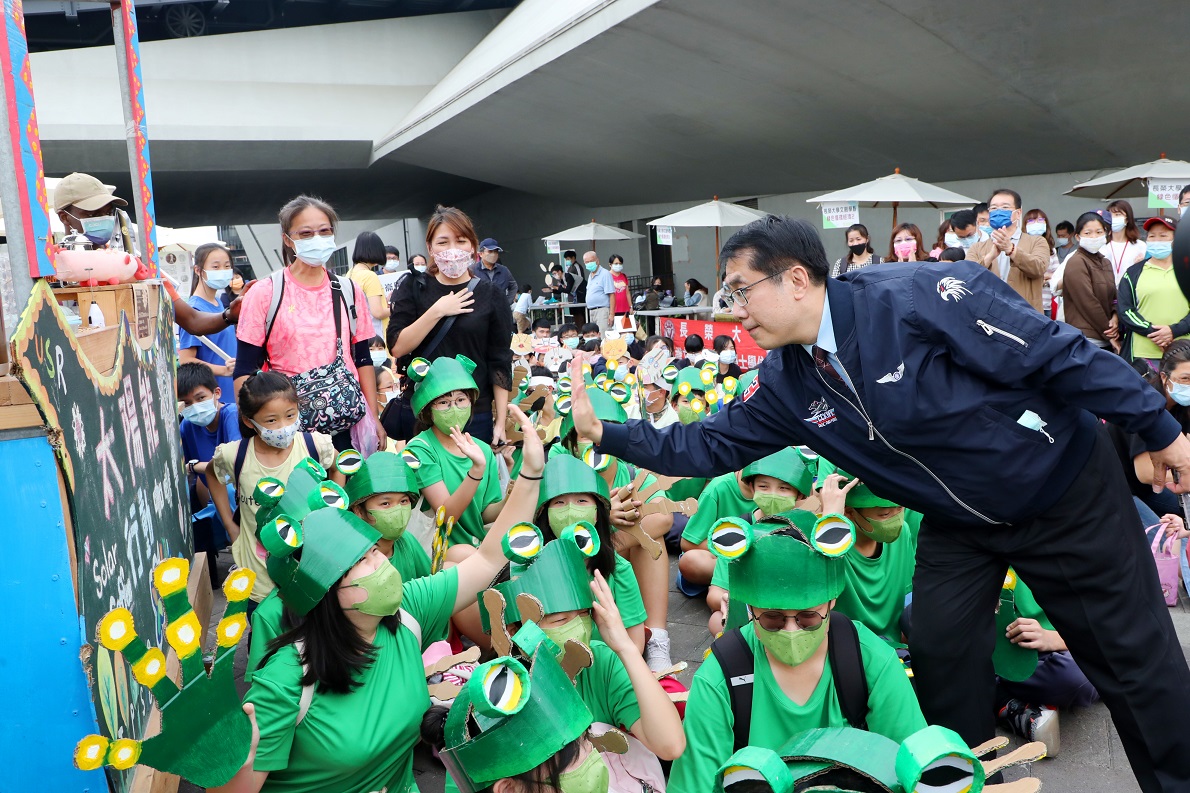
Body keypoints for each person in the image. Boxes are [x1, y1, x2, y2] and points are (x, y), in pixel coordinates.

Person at [568, 214, 1190, 793]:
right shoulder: (787, 381)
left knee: (1132, 662)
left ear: (794, 279)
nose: (732, 312)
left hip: (1062, 489)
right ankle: (969, 779)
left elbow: (1055, 351)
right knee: (939, 647)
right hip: (960, 523)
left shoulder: (918, 295)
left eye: (739, 290)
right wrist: (607, 433)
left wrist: (1160, 431)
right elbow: (706, 441)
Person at [212, 406, 545, 793]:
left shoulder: (407, 610)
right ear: (324, 592)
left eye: (372, 551)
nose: (380, 562)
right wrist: (228, 758)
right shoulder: (285, 681)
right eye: (360, 562)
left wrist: (531, 472)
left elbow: (489, 557)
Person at [669, 510, 926, 793]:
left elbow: (914, 767)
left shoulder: (867, 658)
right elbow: (695, 786)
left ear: (832, 601)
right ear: (750, 609)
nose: (791, 631)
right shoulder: (721, 677)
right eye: (773, 619)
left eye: (808, 617)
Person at [232, 195, 382, 453]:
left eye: (324, 231)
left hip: (345, 423)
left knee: (349, 491)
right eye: (306, 233)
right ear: (288, 239)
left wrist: (374, 417)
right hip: (288, 429)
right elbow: (245, 368)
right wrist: (256, 428)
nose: (317, 239)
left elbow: (363, 360)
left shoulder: (348, 290)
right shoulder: (265, 293)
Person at [204, 371, 337, 605]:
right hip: (258, 574)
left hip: (309, 568)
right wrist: (229, 524)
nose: (284, 427)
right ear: (249, 421)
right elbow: (212, 475)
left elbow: (337, 466)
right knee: (263, 632)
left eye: (290, 415)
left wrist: (333, 510)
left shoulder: (314, 445)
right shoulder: (234, 454)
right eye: (271, 420)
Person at [386, 206, 514, 445]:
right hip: (426, 409)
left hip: (475, 412)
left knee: (475, 478)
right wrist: (438, 310)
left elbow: (500, 360)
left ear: (473, 247)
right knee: (428, 480)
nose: (453, 249)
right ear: (430, 248)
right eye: (443, 242)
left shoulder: (491, 294)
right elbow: (397, 347)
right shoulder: (414, 287)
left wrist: (500, 422)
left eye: (461, 241)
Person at [404, 356, 504, 555]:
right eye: (443, 402)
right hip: (436, 553)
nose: (454, 408)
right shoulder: (419, 450)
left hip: (477, 551)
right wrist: (476, 470)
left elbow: (483, 515)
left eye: (460, 400)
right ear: (428, 409)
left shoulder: (482, 450)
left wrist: (512, 494)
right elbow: (446, 517)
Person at [178, 362, 240, 588]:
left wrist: (195, 466)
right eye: (186, 403)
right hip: (215, 494)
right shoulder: (187, 426)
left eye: (200, 398)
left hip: (239, 491)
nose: (194, 406)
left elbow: (229, 464)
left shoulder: (230, 414)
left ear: (217, 393)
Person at [1119, 217, 1189, 367]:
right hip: (1144, 355)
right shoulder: (1133, 273)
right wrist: (1153, 332)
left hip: (1185, 352)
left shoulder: (1186, 270)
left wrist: (1173, 331)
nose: (1157, 240)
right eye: (1152, 236)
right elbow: (1126, 310)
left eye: (1163, 236)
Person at [964, 189, 1050, 312]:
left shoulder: (1036, 241)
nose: (998, 212)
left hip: (1027, 316)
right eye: (993, 208)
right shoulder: (977, 247)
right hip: (989, 316)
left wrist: (1011, 250)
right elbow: (967, 277)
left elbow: (1039, 268)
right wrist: (990, 256)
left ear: (1018, 213)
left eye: (1005, 207)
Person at [179, 243, 239, 396]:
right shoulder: (193, 310)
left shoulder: (219, 303)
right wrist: (224, 370)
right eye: (216, 267)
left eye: (227, 266)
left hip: (232, 393)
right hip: (215, 398)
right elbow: (186, 360)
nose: (223, 271)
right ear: (198, 270)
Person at [1062, 211, 1118, 349]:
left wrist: (1116, 317)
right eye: (1088, 233)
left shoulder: (1105, 262)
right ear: (1077, 236)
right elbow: (1087, 302)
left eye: (1099, 232)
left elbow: (1114, 297)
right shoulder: (1076, 261)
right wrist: (1109, 332)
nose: (1094, 237)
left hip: (1105, 335)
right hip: (1086, 337)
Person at [348, 231, 391, 340]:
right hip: (376, 337)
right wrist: (396, 308)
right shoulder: (370, 276)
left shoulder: (351, 273)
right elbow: (377, 312)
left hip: (359, 334)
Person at [1024, 208, 1061, 318]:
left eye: (1040, 220)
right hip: (1025, 304)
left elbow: (1057, 276)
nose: (1036, 224)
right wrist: (1044, 277)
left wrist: (1042, 277)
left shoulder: (1051, 250)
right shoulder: (1021, 248)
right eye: (1031, 221)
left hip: (1045, 304)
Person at [1103, 199, 1147, 283]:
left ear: (1127, 219)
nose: (1113, 218)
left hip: (1130, 290)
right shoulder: (1102, 245)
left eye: (1117, 214)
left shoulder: (1140, 245)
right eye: (1110, 215)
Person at [474, 237, 518, 304]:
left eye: (496, 251)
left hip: (500, 311)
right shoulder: (472, 270)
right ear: (481, 254)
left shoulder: (504, 270)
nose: (493, 254)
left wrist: (507, 302)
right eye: (490, 251)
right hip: (479, 312)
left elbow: (513, 286)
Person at [584, 251, 616, 335]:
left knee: (603, 336)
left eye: (591, 261)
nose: (589, 263)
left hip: (602, 311)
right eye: (587, 262)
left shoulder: (605, 274)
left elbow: (612, 294)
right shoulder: (590, 275)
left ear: (597, 260)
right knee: (594, 337)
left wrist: (611, 314)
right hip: (592, 311)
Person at [609, 254, 632, 322]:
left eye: (620, 263)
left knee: (626, 330)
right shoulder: (607, 276)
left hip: (625, 309)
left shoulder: (624, 276)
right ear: (610, 265)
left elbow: (627, 293)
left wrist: (630, 307)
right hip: (613, 310)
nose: (618, 265)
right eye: (616, 263)